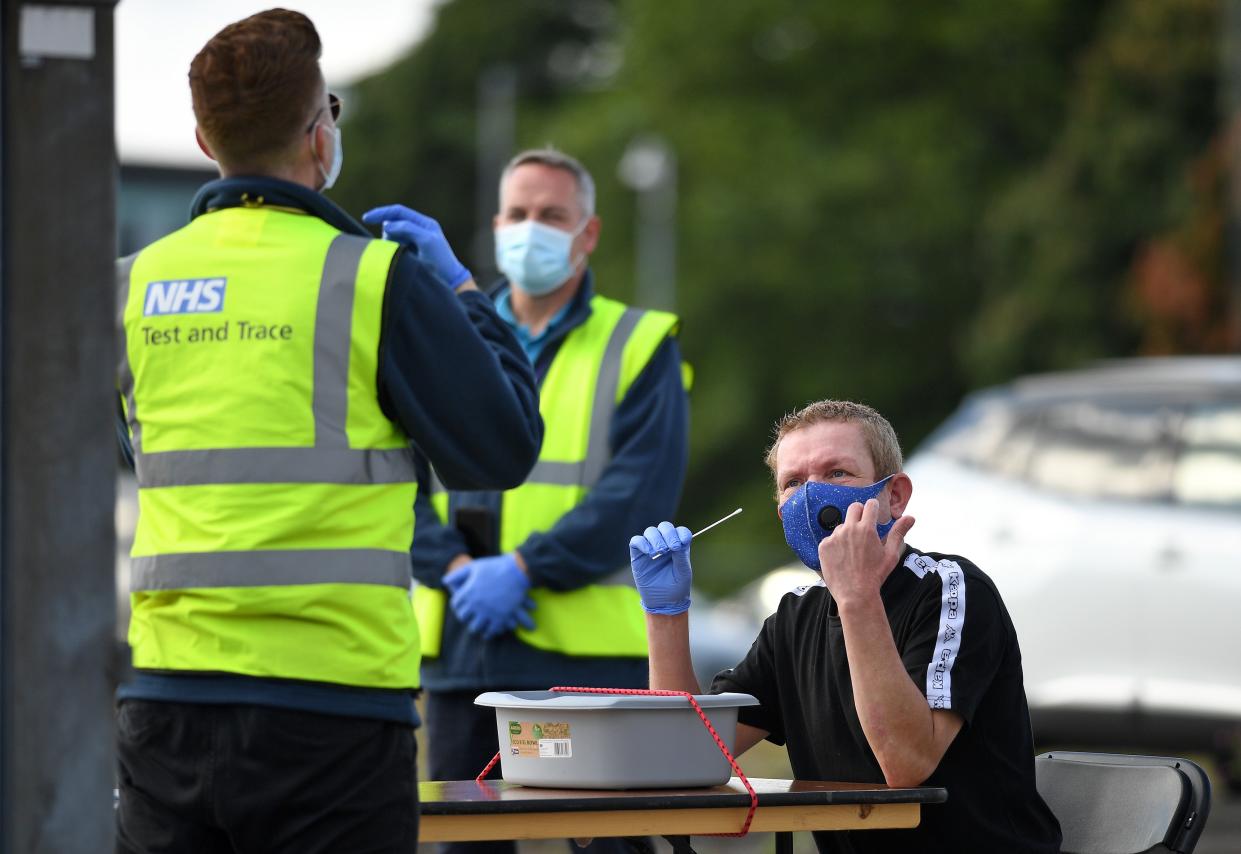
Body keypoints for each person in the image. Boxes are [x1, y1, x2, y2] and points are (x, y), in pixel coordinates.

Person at [113, 10, 542, 853]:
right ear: (320, 134)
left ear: (204, 140)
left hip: (167, 701)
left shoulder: (132, 286)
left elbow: (127, 450)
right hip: (331, 709)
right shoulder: (372, 278)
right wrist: (460, 291)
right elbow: (500, 447)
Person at [386, 148, 689, 854]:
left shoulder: (638, 343)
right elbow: (396, 477)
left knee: (612, 844)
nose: (532, 229)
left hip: (590, 664)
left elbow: (637, 494)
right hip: (465, 648)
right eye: (518, 214)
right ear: (495, 227)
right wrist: (454, 568)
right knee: (468, 845)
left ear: (588, 233)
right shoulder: (444, 333)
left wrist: (523, 568)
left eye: (552, 215)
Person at [630, 400, 1062, 853]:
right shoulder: (795, 617)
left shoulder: (950, 589)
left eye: (837, 473)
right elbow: (684, 758)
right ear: (782, 512)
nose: (812, 495)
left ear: (893, 496)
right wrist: (666, 616)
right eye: (793, 483)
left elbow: (906, 764)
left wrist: (857, 596)